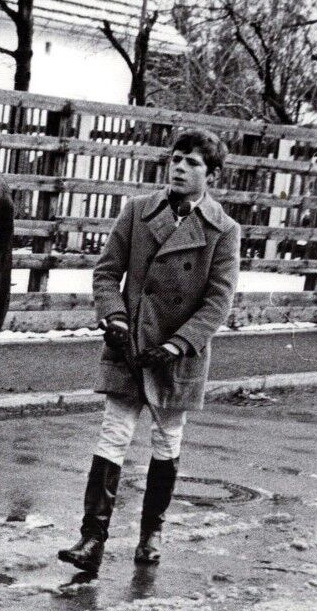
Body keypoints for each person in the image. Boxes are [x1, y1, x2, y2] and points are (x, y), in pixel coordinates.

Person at [59, 127, 241, 573]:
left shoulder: (223, 230)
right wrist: (115, 318)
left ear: (211, 174)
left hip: (177, 355)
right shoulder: (138, 212)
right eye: (176, 158)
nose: (180, 167)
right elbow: (106, 272)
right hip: (130, 345)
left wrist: (180, 343)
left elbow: (219, 301)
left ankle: (150, 534)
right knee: (113, 435)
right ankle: (92, 539)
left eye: (193, 162)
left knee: (166, 440)